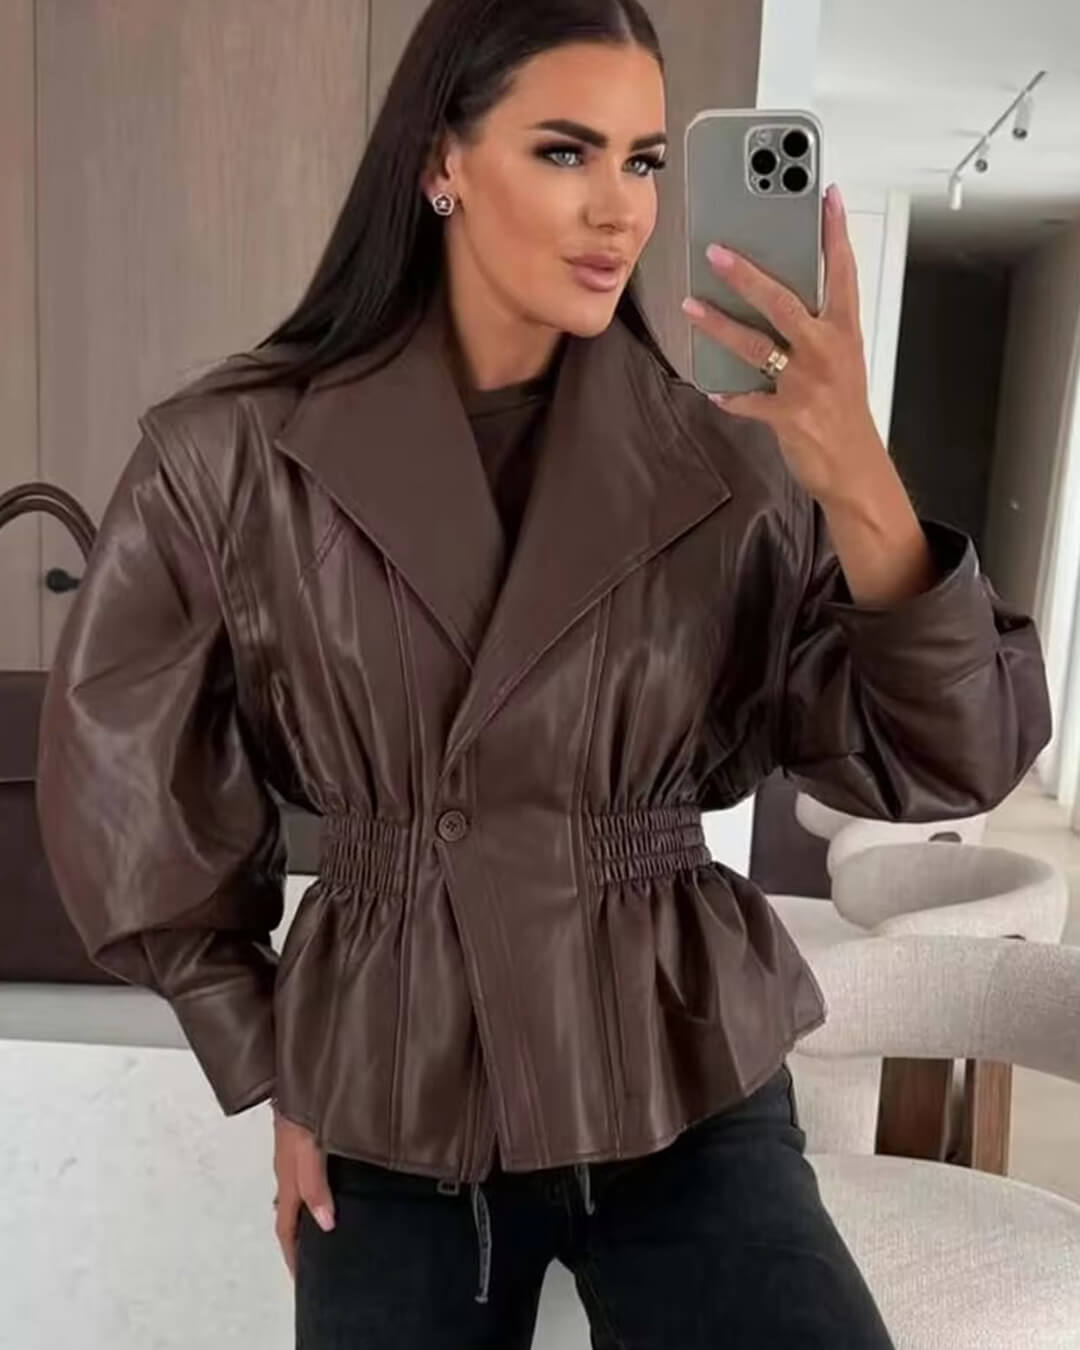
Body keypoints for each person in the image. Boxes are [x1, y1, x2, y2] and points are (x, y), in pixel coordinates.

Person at [35, 1, 1051, 1346]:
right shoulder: (230, 459)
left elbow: (951, 757)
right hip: (396, 1088)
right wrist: (276, 1060)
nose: (620, 209)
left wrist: (857, 473)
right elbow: (124, 792)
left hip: (679, 1074)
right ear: (441, 162)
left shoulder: (728, 462)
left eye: (643, 161)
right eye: (566, 151)